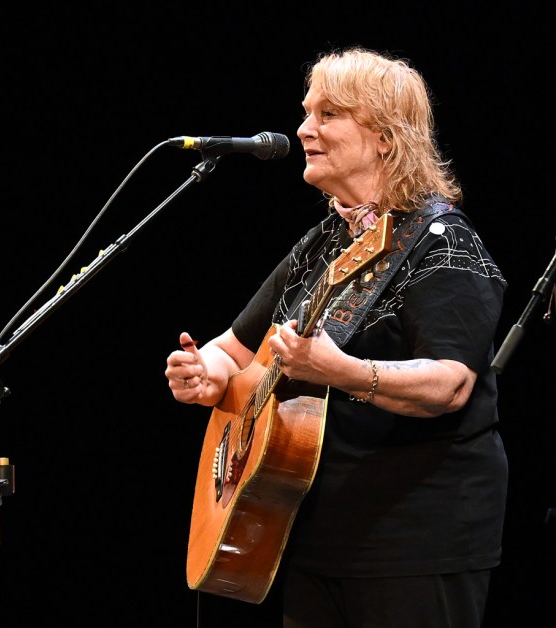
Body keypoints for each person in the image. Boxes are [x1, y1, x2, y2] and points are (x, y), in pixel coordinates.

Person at [165, 47, 507, 628]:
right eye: (306, 113)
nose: (304, 129)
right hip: (311, 533)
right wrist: (207, 376)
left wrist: (341, 370)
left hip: (414, 538)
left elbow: (450, 385)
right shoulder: (326, 238)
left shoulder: (445, 246)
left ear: (384, 138)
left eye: (327, 114)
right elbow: (232, 348)